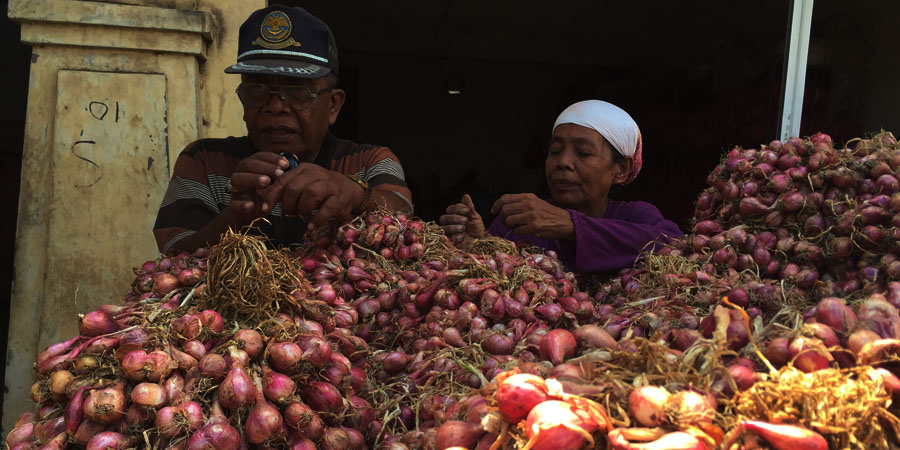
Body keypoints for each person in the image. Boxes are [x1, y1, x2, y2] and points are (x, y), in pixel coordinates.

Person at [154, 5, 412, 253]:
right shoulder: (205, 161)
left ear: (333, 105)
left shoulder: (369, 163)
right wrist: (235, 218)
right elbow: (175, 256)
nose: (275, 106)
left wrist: (356, 195)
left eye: (298, 91)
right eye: (256, 90)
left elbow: (406, 221)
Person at [440, 100, 682, 274]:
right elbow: (491, 288)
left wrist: (570, 226)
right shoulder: (518, 220)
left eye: (583, 153)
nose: (563, 162)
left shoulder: (634, 216)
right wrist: (478, 246)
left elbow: (674, 244)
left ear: (621, 170)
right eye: (555, 151)